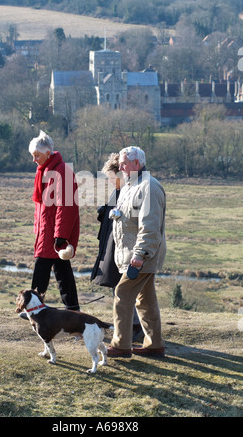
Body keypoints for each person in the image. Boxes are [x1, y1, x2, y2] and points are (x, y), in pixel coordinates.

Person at [107, 146, 166, 358]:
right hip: (135, 257)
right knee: (146, 300)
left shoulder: (149, 187)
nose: (120, 166)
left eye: (123, 163)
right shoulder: (130, 185)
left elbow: (150, 228)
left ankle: (121, 345)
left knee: (122, 294)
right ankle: (154, 345)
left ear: (137, 164)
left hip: (141, 257)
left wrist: (139, 255)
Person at [91, 153, 143, 341]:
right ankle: (127, 324)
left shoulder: (130, 191)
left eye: (113, 178)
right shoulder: (121, 191)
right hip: (115, 246)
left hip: (123, 247)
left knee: (125, 288)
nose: (111, 182)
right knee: (119, 287)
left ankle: (133, 325)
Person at [26, 130, 80, 312]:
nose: (34, 160)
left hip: (53, 232)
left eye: (37, 156)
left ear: (48, 154)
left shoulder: (61, 171)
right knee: (62, 272)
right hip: (47, 230)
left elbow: (66, 207)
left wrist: (61, 235)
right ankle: (73, 309)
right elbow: (41, 206)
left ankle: (33, 309)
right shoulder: (44, 170)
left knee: (41, 268)